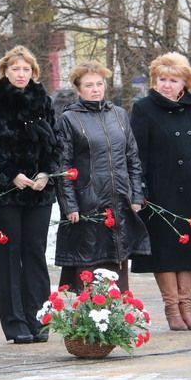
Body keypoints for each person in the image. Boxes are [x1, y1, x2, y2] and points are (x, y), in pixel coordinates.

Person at [130, 52, 191, 331]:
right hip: (161, 190)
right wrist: (140, 188)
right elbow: (137, 152)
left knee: (190, 249)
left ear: (185, 82)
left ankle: (187, 307)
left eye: (173, 80)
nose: (167, 85)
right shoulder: (144, 108)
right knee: (166, 250)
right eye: (162, 79)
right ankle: (172, 308)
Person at [0, 46, 59, 344]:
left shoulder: (43, 101)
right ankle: (15, 324)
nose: (21, 74)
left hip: (39, 191)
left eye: (26, 69)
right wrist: (12, 174)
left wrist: (46, 173)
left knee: (35, 253)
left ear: (33, 72)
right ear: (5, 71)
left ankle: (40, 319)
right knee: (11, 255)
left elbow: (54, 144)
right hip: (7, 191)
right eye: (16, 69)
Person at [54, 60, 150, 293]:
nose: (96, 89)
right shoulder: (69, 119)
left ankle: (117, 318)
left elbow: (132, 158)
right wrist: (70, 205)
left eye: (99, 84)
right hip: (88, 202)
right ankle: (85, 322)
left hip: (119, 200)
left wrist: (136, 195)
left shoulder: (118, 115)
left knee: (117, 258)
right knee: (88, 262)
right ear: (78, 89)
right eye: (89, 85)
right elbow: (63, 166)